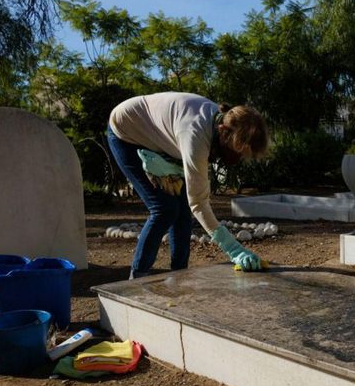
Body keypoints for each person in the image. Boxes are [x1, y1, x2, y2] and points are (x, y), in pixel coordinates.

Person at [107, 92, 269, 278]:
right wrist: (234, 249)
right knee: (164, 209)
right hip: (126, 133)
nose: (238, 158)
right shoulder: (195, 136)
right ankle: (137, 277)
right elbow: (199, 203)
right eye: (238, 150)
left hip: (158, 137)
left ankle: (179, 275)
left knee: (183, 210)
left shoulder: (216, 124)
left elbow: (192, 202)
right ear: (223, 131)